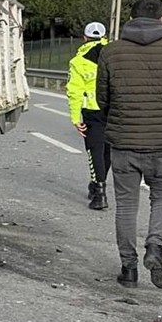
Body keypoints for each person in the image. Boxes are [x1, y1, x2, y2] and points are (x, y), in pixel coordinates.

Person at [96, 0, 162, 290]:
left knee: (126, 206)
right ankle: (155, 248)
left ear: (131, 18)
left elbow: (103, 100)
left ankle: (128, 269)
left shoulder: (111, 53)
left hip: (124, 143)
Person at [66, 21, 111, 210]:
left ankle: (99, 192)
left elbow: (74, 91)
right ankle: (98, 184)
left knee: (95, 150)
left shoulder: (78, 61)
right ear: (104, 36)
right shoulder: (114, 55)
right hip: (114, 109)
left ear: (85, 38)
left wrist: (76, 118)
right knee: (108, 150)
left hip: (92, 111)